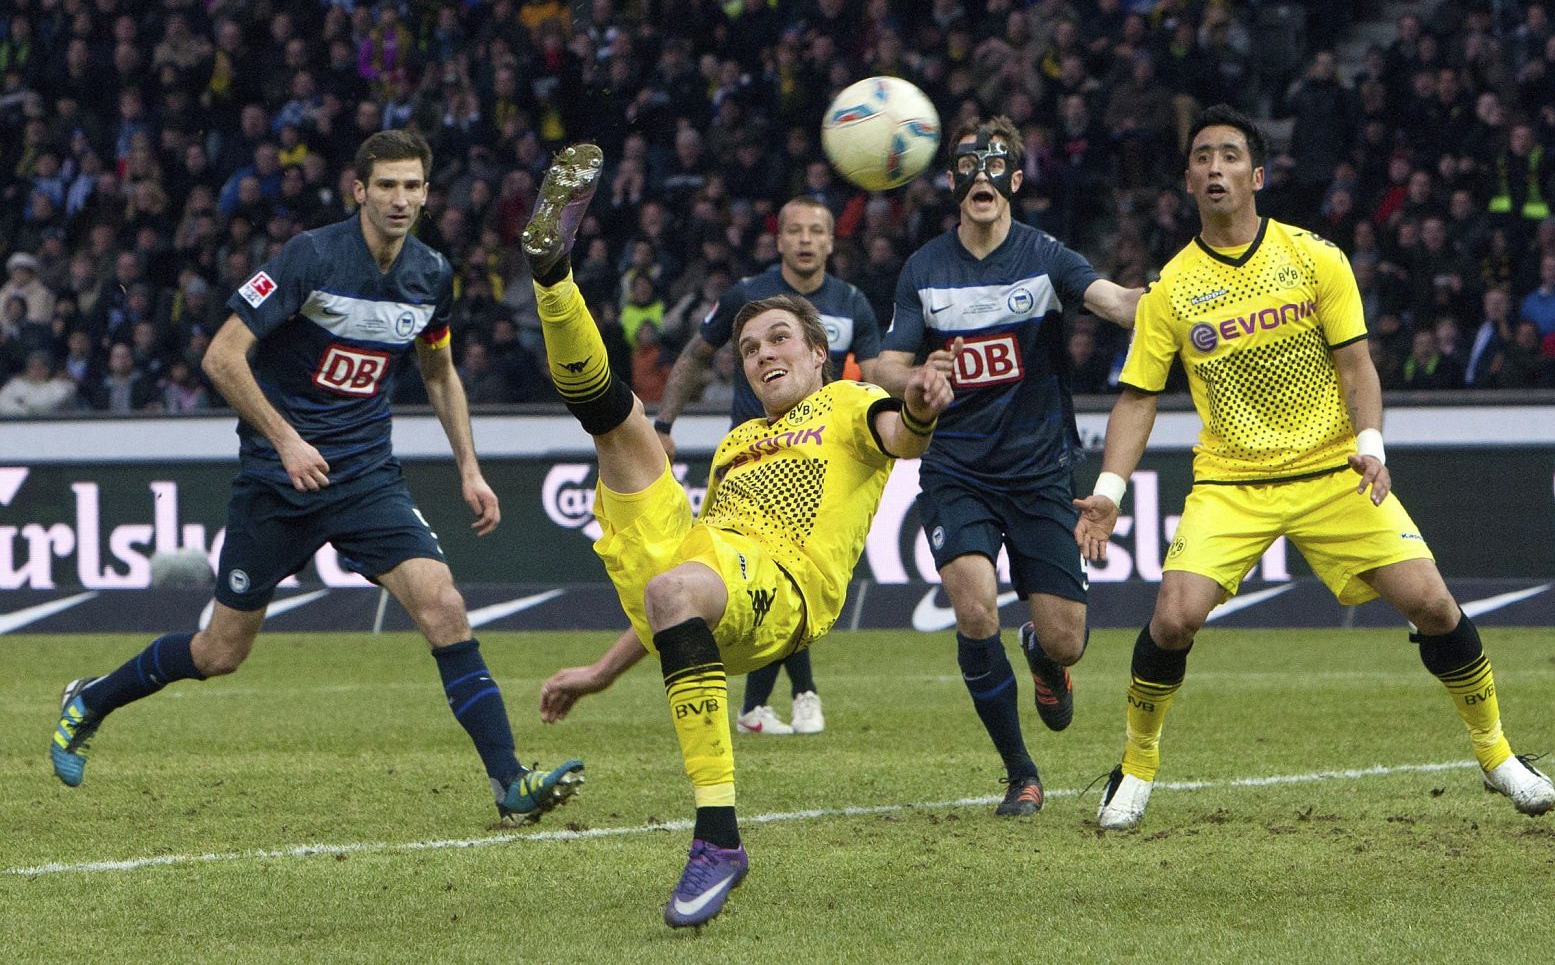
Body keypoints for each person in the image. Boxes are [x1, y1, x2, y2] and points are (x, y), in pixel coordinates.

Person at [49, 130, 583, 826]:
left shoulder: (429, 274)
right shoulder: (310, 256)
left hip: (366, 477)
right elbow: (222, 357)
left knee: (443, 604)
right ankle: (89, 700)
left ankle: (510, 782)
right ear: (358, 190)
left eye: (412, 186)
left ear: (427, 194)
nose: (400, 198)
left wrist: (470, 469)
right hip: (280, 481)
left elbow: (438, 370)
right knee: (219, 651)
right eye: (386, 184)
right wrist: (288, 439)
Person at [1074, 105, 1555, 831]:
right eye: (1201, 156)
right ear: (1187, 180)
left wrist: (1372, 444)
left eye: (1229, 155)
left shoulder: (1314, 257)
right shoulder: (1170, 288)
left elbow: (1358, 367)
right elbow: (1138, 400)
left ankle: (1498, 755)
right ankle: (1136, 766)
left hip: (1333, 470)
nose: (1214, 167)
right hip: (1232, 482)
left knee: (1433, 603)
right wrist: (1109, 491)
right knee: (1173, 618)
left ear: (1257, 175)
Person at [520, 144, 953, 928]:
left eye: (780, 340)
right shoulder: (735, 443)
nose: (762, 355)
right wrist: (600, 671)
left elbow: (906, 439)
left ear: (818, 353)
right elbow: (677, 596)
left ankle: (718, 837)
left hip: (785, 588)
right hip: (713, 564)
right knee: (617, 423)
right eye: (751, 349)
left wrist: (920, 400)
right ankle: (554, 280)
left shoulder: (850, 404)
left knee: (677, 577)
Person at [871, 114, 1142, 817]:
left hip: (1040, 468)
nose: (982, 178)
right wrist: (917, 376)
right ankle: (1021, 772)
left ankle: (1043, 656)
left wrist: (1175, 299)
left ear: (1017, 180)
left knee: (1068, 639)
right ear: (954, 182)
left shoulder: (1045, 255)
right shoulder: (925, 268)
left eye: (996, 166)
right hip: (956, 468)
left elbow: (1114, 302)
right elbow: (887, 364)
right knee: (972, 606)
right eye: (968, 166)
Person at [646, 196, 883, 736]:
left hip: (819, 461)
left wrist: (901, 421)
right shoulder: (746, 296)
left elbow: (874, 378)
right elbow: (696, 357)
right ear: (779, 241)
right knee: (766, 571)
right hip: (754, 461)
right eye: (794, 230)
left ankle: (770, 702)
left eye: (816, 231)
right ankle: (796, 696)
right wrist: (663, 422)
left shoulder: (852, 303)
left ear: (830, 241)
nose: (805, 240)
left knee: (781, 576)